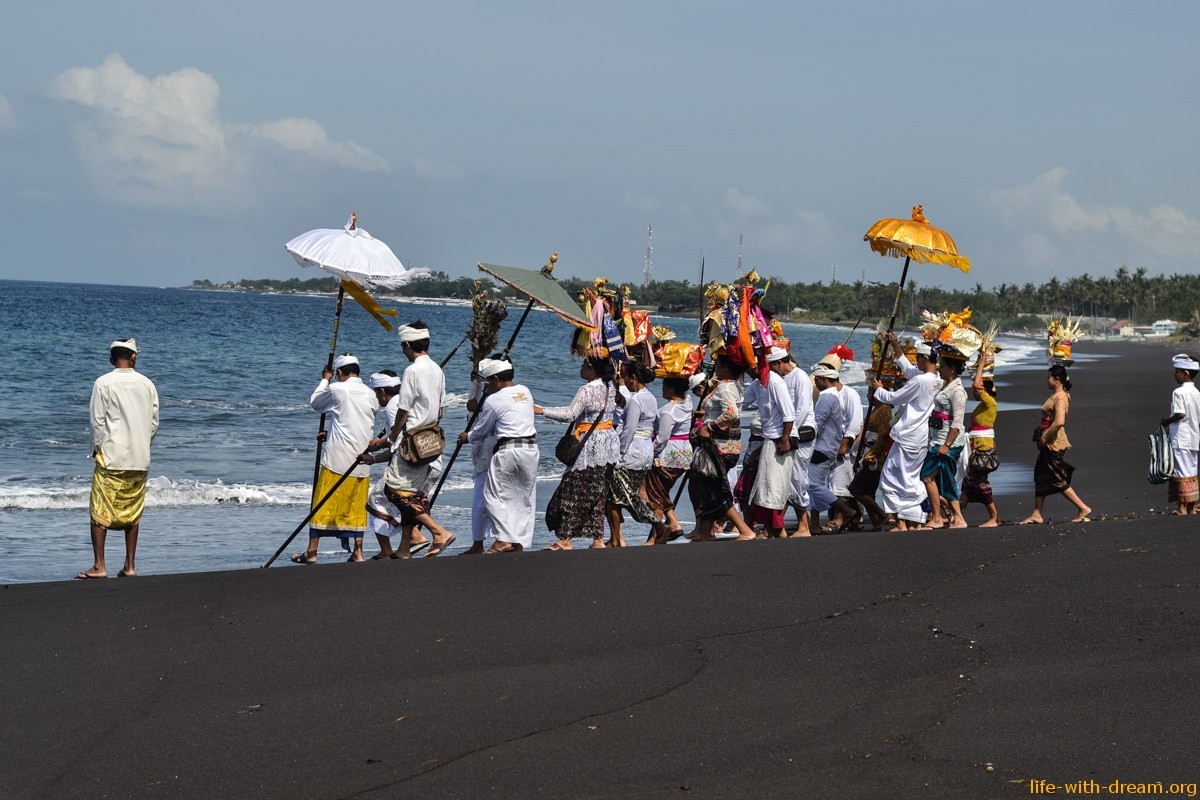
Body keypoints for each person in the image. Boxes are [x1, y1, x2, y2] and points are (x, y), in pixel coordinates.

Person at [364, 322, 456, 557]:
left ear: (407, 344)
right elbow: (441, 410)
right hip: (431, 440)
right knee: (412, 493)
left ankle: (438, 532)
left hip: (412, 442)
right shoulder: (437, 369)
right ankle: (405, 548)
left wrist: (392, 436)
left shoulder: (412, 371)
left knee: (395, 491)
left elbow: (404, 410)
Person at [77, 339, 159, 579]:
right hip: (139, 457)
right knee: (132, 511)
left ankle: (100, 565)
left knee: (99, 510)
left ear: (112, 359)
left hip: (112, 456)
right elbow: (154, 422)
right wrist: (143, 444)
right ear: (133, 357)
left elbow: (97, 421)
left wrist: (96, 448)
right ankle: (130, 565)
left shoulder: (103, 383)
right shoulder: (147, 384)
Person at [292, 353, 379, 564]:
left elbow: (316, 403)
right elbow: (353, 423)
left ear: (340, 372)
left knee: (322, 501)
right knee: (355, 506)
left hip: (338, 457)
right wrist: (330, 432)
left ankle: (312, 551)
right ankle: (358, 551)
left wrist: (325, 379)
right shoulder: (371, 394)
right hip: (362, 458)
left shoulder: (338, 388)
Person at [537, 355, 620, 550]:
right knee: (599, 493)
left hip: (590, 445)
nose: (581, 367)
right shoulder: (610, 387)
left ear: (591, 369)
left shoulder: (587, 390)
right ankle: (598, 538)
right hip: (608, 443)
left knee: (573, 491)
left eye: (584, 364)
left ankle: (566, 539)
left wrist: (541, 410)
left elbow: (570, 415)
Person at [458, 356, 539, 552]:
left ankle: (503, 539)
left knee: (492, 496)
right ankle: (518, 542)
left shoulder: (494, 400)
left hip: (508, 451)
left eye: (488, 382)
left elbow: (482, 430)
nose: (487, 387)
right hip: (530, 450)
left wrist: (466, 437)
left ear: (496, 379)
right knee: (523, 497)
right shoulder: (525, 391)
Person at [869, 335, 939, 530]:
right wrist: (895, 345)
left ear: (926, 358)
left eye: (919, 357)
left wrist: (879, 390)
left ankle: (903, 521)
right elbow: (908, 370)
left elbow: (895, 398)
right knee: (909, 478)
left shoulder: (922, 381)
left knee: (891, 477)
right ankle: (913, 520)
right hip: (922, 436)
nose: (916, 360)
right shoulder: (937, 380)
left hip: (909, 435)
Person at [689, 355, 757, 541]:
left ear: (726, 367)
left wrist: (708, 426)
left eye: (718, 364)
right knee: (709, 486)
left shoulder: (725, 386)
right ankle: (706, 531)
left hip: (720, 445)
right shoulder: (732, 384)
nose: (715, 367)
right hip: (723, 443)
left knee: (716, 487)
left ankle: (745, 530)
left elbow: (731, 413)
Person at [365, 371, 430, 558]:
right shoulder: (402, 402)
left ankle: (409, 540)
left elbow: (398, 443)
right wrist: (379, 441)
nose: (377, 398)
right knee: (401, 501)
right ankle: (408, 540)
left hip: (406, 463)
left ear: (383, 391)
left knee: (376, 499)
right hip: (423, 460)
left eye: (377, 393)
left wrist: (375, 456)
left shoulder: (393, 406)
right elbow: (393, 431)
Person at [1019, 365, 1092, 524]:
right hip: (1048, 440)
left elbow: (1059, 421)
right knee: (1040, 474)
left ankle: (1083, 507)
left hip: (1054, 442)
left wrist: (1044, 438)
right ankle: (1037, 513)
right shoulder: (1058, 394)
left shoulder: (1060, 397)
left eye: (1049, 377)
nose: (1047, 380)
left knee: (1056, 478)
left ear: (1057, 379)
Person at [606, 362, 658, 547]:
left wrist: (618, 454)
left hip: (632, 452)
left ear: (633, 378)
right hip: (646, 450)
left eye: (626, 377)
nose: (625, 382)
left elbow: (628, 430)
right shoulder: (651, 397)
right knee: (627, 493)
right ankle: (617, 538)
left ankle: (655, 524)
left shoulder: (635, 400)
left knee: (618, 496)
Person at [747, 350, 797, 538]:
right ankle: (772, 528)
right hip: (769, 438)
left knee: (775, 487)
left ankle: (775, 528)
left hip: (780, 440)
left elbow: (789, 414)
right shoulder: (759, 384)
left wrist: (784, 440)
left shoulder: (776, 382)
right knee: (765, 486)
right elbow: (743, 401)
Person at [807, 362, 860, 533]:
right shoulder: (833, 396)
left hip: (823, 448)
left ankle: (846, 511)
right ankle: (813, 524)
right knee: (814, 485)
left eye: (816, 380)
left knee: (811, 485)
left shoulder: (828, 397)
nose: (815, 383)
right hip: (826, 447)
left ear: (823, 379)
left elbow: (818, 425)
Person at [920, 351, 969, 529]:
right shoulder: (946, 386)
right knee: (943, 480)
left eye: (943, 366)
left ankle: (940, 517)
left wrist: (946, 445)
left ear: (952, 369)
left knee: (928, 476)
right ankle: (954, 516)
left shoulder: (957, 391)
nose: (939, 369)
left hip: (947, 443)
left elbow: (957, 423)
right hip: (937, 439)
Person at [642, 376, 693, 545]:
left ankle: (656, 535)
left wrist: (650, 453)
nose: (662, 390)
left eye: (664, 386)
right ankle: (672, 523)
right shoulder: (687, 403)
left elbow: (662, 438)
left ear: (671, 388)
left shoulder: (667, 411)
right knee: (660, 491)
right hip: (684, 453)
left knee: (655, 493)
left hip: (668, 455)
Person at [773, 350, 816, 537]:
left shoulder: (800, 377)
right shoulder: (782, 379)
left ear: (779, 363)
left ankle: (804, 527)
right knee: (787, 480)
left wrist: (789, 434)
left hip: (801, 433)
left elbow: (803, 408)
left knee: (797, 478)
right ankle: (783, 525)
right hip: (789, 433)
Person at [460, 369, 498, 555]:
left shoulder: (496, 396)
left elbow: (474, 407)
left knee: (485, 495)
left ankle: (483, 542)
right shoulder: (490, 390)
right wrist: (475, 383)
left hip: (491, 447)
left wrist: (468, 437)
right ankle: (481, 541)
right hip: (485, 446)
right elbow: (471, 405)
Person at [961, 356, 1001, 527]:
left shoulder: (990, 403)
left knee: (979, 481)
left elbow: (976, 385)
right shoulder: (982, 406)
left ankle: (994, 517)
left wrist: (982, 364)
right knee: (969, 482)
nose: (976, 393)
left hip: (983, 447)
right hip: (976, 445)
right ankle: (957, 514)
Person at [1160, 354, 1200, 515]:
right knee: (1191, 471)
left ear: (1186, 373)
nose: (1175, 375)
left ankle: (1182, 507)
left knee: (1180, 471)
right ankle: (1191, 506)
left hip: (1181, 437)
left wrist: (1166, 421)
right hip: (1194, 437)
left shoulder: (1178, 392)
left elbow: (1180, 414)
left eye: (1177, 371)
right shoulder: (1197, 393)